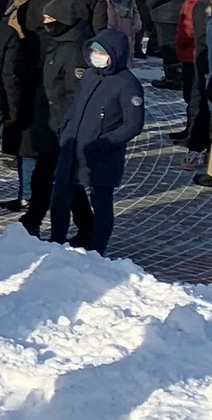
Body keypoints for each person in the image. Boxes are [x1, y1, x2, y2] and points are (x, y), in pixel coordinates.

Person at [55, 28, 145, 253]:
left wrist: (105, 143)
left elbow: (133, 125)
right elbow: (76, 106)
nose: (96, 55)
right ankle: (56, 242)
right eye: (94, 50)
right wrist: (64, 128)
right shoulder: (88, 76)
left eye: (101, 52)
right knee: (60, 198)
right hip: (74, 148)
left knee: (101, 202)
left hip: (102, 155)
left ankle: (97, 249)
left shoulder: (127, 84)